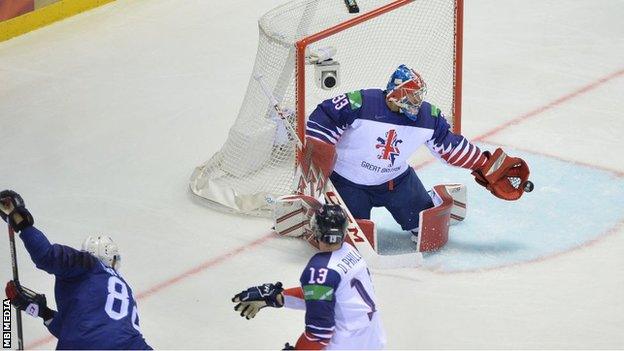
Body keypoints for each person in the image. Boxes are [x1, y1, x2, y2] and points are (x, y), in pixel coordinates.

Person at [303, 64, 530, 243]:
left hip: (397, 182)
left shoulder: (427, 116)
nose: (417, 102)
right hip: (348, 184)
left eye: (419, 96)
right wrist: (320, 159)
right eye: (412, 97)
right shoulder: (361, 102)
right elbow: (324, 117)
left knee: (429, 233)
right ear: (395, 94)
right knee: (346, 239)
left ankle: (437, 197)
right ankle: (311, 213)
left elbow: (448, 145)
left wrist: (483, 163)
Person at [1, 190, 151, 350]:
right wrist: (43, 312)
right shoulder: (125, 289)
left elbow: (46, 255)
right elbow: (86, 330)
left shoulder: (88, 263)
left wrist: (21, 222)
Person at [232, 204, 386, 350]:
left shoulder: (320, 269)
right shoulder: (350, 251)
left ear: (316, 232)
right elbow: (325, 296)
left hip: (343, 344)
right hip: (371, 339)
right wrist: (277, 297)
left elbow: (319, 333)